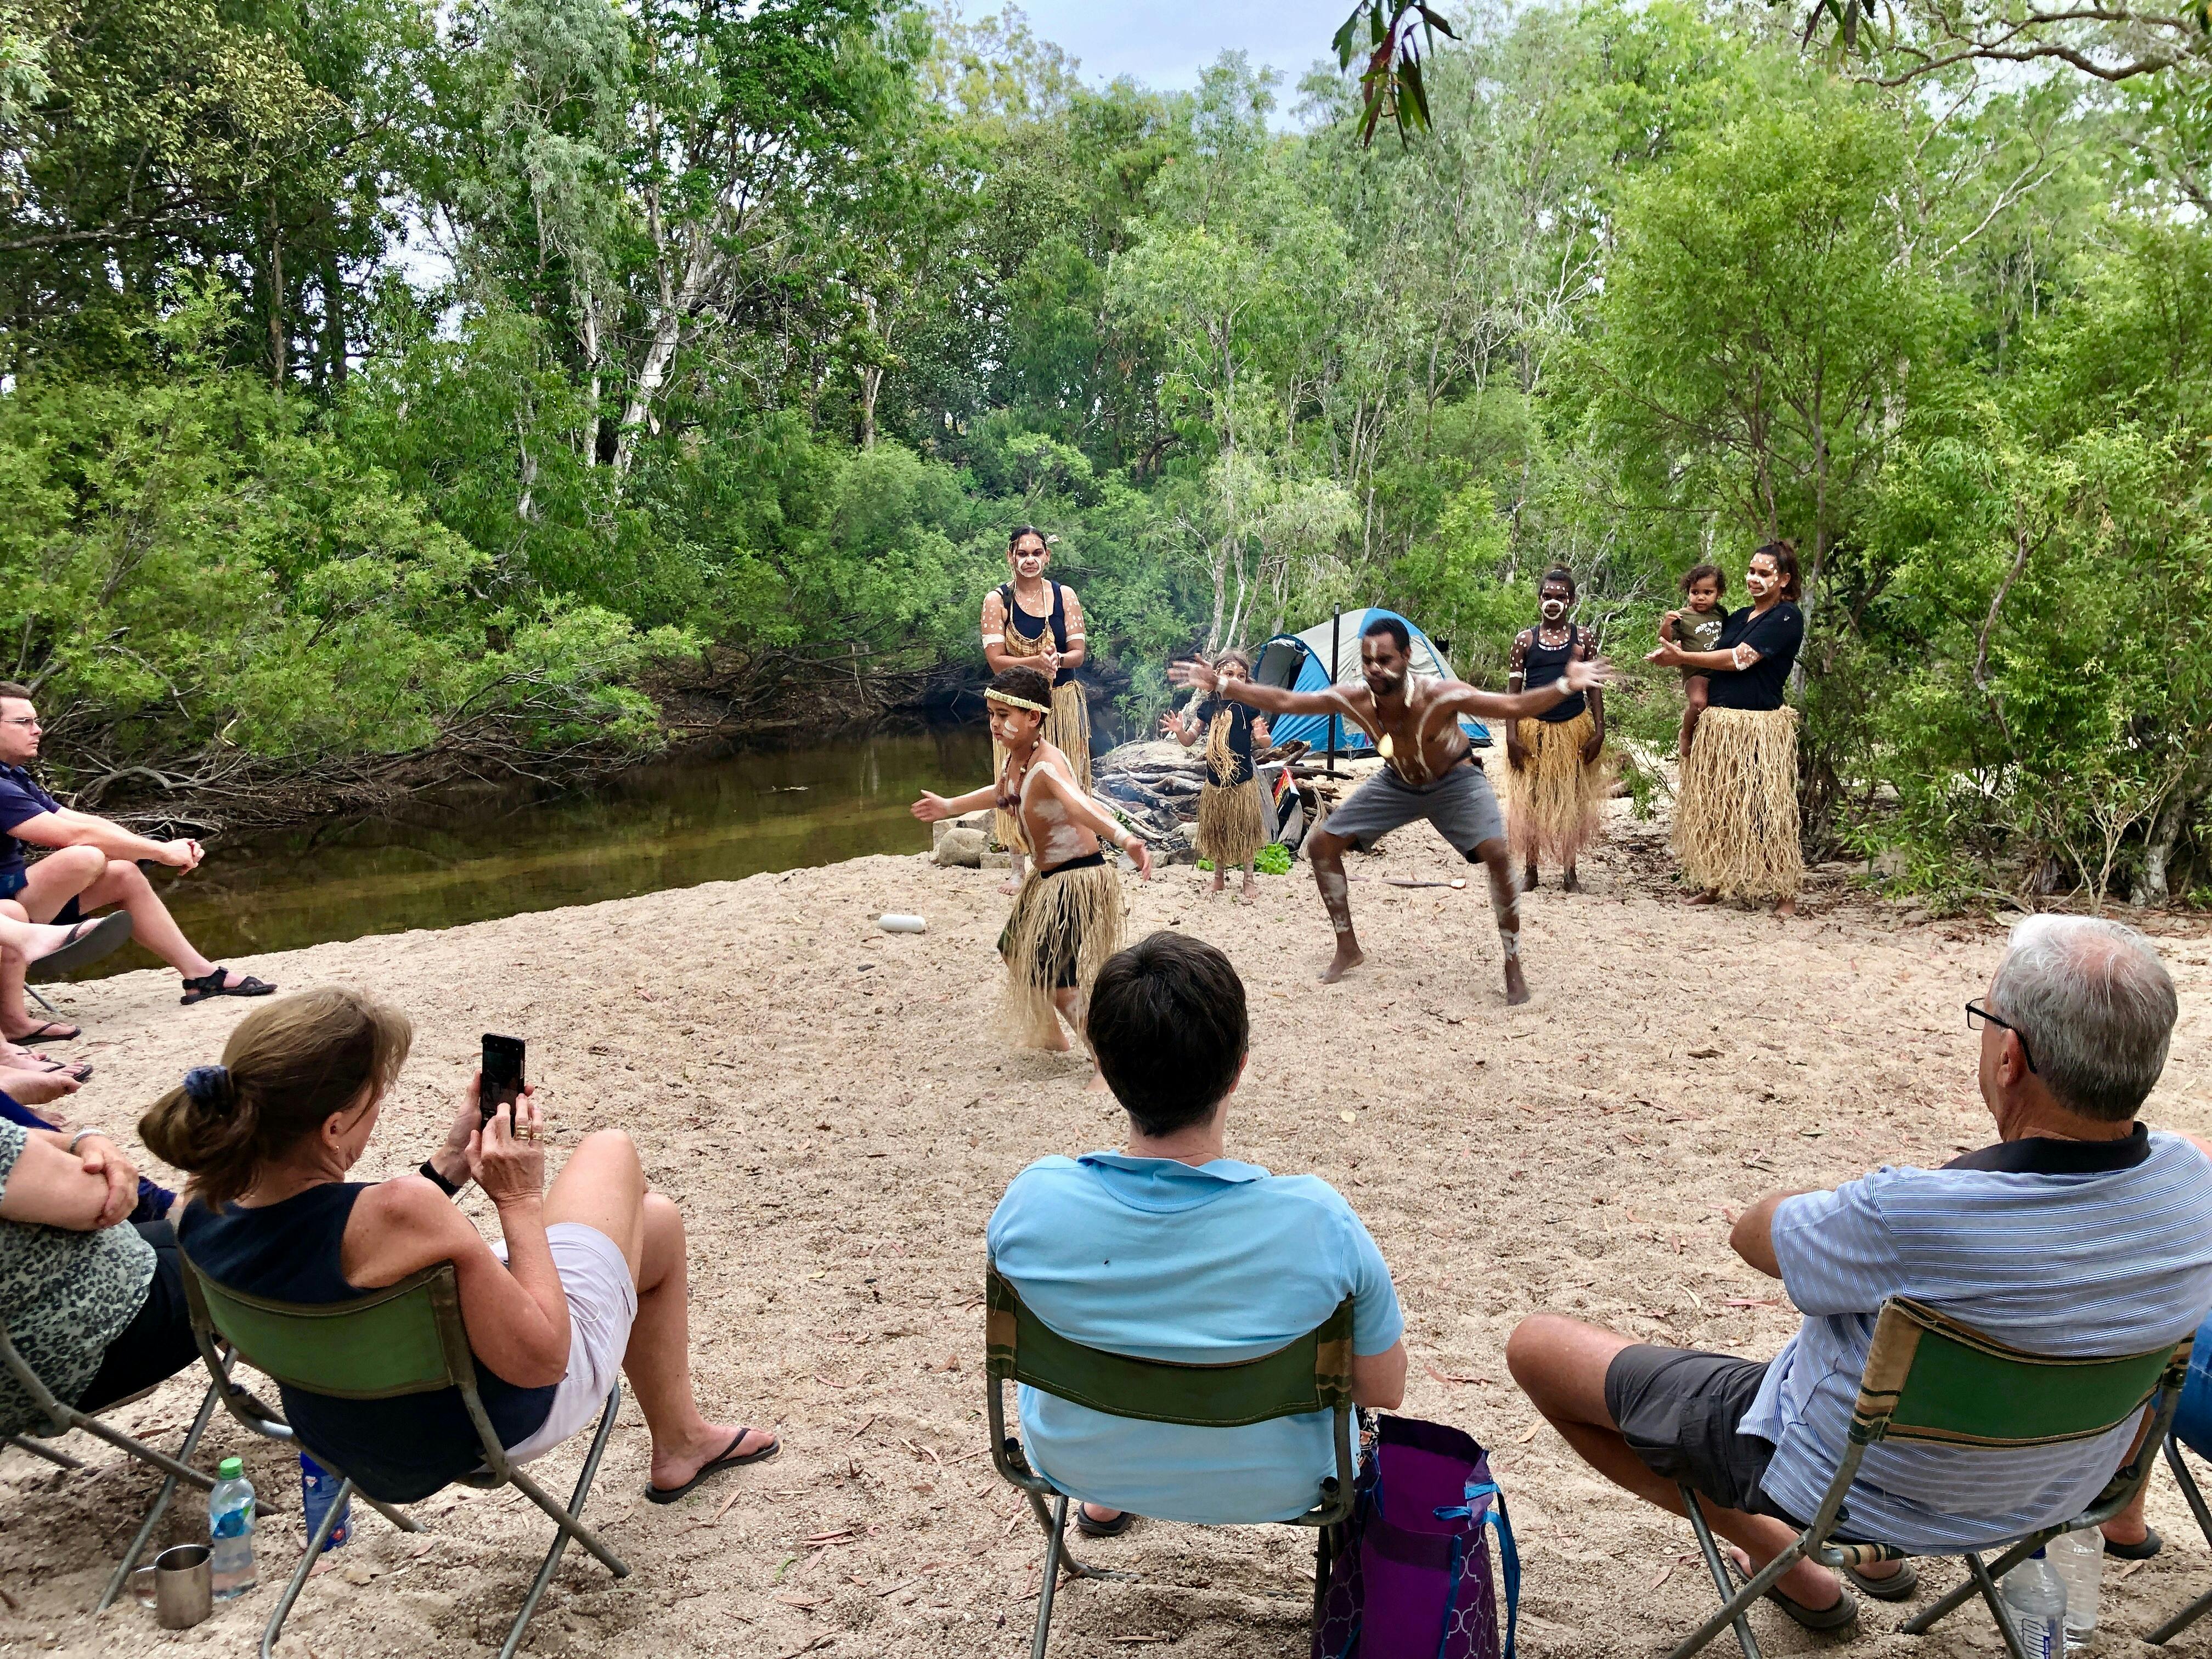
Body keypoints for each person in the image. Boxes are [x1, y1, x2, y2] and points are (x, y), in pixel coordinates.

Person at [1506, 915, 2212, 1631]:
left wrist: (1857, 1200)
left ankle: (1793, 1566)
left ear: (2011, 1059)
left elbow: (1753, 1235)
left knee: (1538, 1349)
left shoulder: (1910, 1213)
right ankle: (1870, 1562)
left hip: (1848, 1494)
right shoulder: (2195, 1183)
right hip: (2057, 1492)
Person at [155, 988, 775, 1505]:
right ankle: (682, 1440)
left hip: (346, 1435)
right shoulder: (403, 1212)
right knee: (610, 1150)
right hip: (483, 1425)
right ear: (334, 1126)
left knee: (656, 1229)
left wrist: (453, 1160)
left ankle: (681, 1442)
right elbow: (545, 1361)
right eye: (375, 1098)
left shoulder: (196, 1215)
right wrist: (519, 1198)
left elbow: (352, 1240)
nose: (379, 1109)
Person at [987, 932, 1407, 1537]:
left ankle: (1106, 1501)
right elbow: (1384, 1388)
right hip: (1282, 1482)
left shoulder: (1032, 1204)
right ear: (1238, 1070)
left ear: (1102, 1067)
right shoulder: (1318, 1223)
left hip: (1077, 1464)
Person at [1171, 617, 1611, 1002]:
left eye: (1385, 660)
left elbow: (1512, 705)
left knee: (1497, 853)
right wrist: (1222, 685)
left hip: (1455, 780)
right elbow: (1286, 702)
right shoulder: (1355, 698)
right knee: (1322, 845)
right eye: (1368, 661)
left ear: (1407, 656)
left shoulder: (1440, 695)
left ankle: (1513, 963)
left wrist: (1565, 685)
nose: (1375, 669)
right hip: (1397, 781)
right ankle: (1347, 946)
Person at [0, 682, 273, 1039]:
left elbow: (79, 820)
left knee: (123, 875)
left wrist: (153, 846)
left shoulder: (12, 776)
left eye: (36, 721)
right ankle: (36, 952)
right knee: (83, 857)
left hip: (11, 899)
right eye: (23, 722)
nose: (37, 730)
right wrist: (161, 853)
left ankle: (201, 976)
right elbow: (73, 836)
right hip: (8, 912)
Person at [913, 668, 1153, 1073]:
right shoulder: (1018, 760)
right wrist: (949, 807)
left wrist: (1126, 839)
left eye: (1004, 715)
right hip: (1046, 879)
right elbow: (1000, 793)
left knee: (1057, 975)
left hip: (1076, 877)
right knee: (1014, 950)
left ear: (1033, 717)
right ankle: (1049, 1034)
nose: (994, 723)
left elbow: (1079, 805)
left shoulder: (1046, 766)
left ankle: (1106, 1063)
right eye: (991, 714)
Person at [0, 1107, 201, 1437]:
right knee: (229, 1248)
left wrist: (82, 1140)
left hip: (30, 1351)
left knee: (192, 1232)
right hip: (70, 1358)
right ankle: (295, 1381)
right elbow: (105, 1201)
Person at [1646, 545, 1806, 915]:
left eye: (1764, 574)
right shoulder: (1735, 617)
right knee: (1719, 808)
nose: (1754, 579)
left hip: (1759, 726)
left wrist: (1682, 657)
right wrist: (1674, 655)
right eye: (1751, 571)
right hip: (1719, 725)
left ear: (1784, 580)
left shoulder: (1787, 617)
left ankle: (1785, 893)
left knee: (1766, 810)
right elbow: (1705, 652)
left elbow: (1739, 659)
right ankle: (1715, 884)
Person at [980, 528, 1092, 893]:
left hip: (1061, 701)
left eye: (1036, 553)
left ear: (1047, 557)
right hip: (1014, 708)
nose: (1030, 560)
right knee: (1014, 780)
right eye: (1022, 553)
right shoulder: (997, 600)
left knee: (1066, 779)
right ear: (1010, 557)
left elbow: (1078, 653)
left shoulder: (1064, 595)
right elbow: (996, 661)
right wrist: (1035, 663)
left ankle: (1068, 858)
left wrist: (1058, 660)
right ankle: (1017, 866)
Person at [1503, 568, 1612, 893]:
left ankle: (1569, 872)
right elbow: (1513, 694)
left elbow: (1593, 689)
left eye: (1560, 597)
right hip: (1533, 731)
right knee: (1530, 799)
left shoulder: (1584, 639)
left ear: (1572, 600)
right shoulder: (1525, 640)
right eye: (1547, 596)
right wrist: (1511, 736)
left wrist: (1599, 731)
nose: (1553, 602)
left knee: (1571, 800)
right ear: (1539, 600)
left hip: (1573, 728)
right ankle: (1531, 871)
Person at [1160, 650, 1272, 903]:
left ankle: (1248, 880)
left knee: (1246, 830)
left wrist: (1263, 737)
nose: (1235, 679)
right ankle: (1218, 878)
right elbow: (1189, 740)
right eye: (1229, 674)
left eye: (1241, 676)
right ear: (1217, 676)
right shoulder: (1208, 707)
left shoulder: (1249, 707)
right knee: (1217, 830)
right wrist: (1179, 730)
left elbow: (1266, 742)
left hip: (1242, 782)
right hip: (1215, 782)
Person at [1659, 564, 1729, 759]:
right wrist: (1666, 623)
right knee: (1698, 703)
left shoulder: (1721, 614)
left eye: (1708, 592)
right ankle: (1686, 732)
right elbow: (1666, 640)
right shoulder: (1683, 617)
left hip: (1719, 669)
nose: (1701, 597)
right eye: (1695, 592)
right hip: (1696, 673)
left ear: (1719, 593)